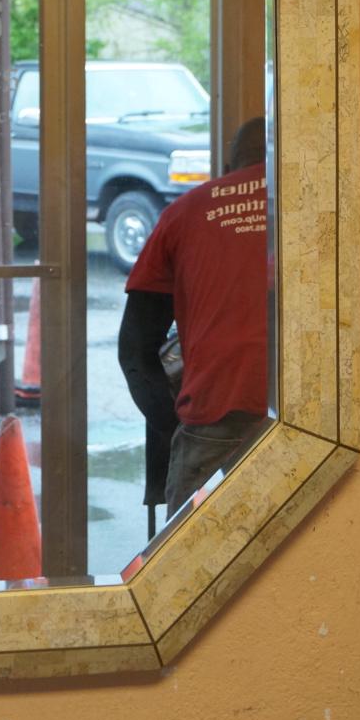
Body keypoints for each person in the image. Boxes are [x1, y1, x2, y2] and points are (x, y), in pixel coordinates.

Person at [118, 116, 268, 516]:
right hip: (318, 422)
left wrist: (172, 425)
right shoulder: (322, 204)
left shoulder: (186, 213)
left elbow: (135, 350)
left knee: (194, 569)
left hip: (217, 417)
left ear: (228, 169)